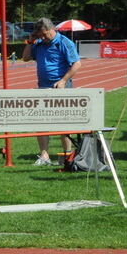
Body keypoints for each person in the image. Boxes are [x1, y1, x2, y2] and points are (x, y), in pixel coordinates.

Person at [21, 18, 82, 165]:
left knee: (63, 123)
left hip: (60, 88)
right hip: (42, 86)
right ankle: (44, 155)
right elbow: (25, 57)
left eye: (43, 34)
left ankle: (67, 154)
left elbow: (77, 64)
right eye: (39, 35)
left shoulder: (65, 43)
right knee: (41, 123)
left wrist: (63, 80)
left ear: (50, 29)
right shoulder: (39, 43)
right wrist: (30, 41)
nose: (42, 37)